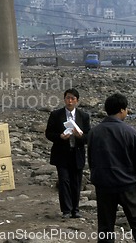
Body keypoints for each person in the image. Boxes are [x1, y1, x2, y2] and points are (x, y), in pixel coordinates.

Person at [87, 93, 136, 243]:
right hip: (127, 185)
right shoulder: (130, 132)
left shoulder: (94, 132)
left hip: (104, 185)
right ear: (122, 110)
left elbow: (91, 159)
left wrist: (96, 178)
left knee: (105, 227)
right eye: (126, 109)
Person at [45, 88, 90, 219]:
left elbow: (88, 136)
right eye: (67, 98)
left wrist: (80, 136)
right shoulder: (56, 115)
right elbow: (49, 133)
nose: (70, 101)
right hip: (62, 153)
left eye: (72, 99)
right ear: (64, 99)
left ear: (77, 101)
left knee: (76, 182)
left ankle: (75, 210)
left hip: (77, 153)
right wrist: (60, 136)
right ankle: (66, 210)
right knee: (64, 181)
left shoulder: (83, 116)